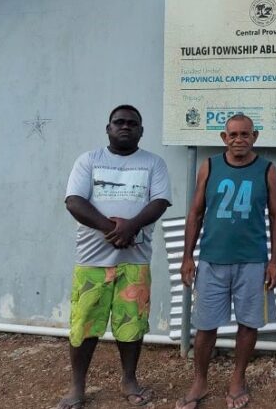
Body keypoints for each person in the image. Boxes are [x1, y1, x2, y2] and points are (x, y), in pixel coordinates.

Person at [58, 105, 172, 409]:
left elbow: (160, 201)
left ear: (141, 131)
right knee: (84, 324)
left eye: (132, 123)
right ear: (108, 128)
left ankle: (129, 379)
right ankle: (77, 386)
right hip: (92, 260)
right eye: (118, 122)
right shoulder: (89, 161)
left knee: (132, 325)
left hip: (135, 260)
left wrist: (131, 227)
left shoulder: (153, 163)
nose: (125, 127)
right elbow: (74, 202)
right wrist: (114, 229)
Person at [178, 114, 276, 409]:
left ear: (255, 137)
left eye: (245, 134)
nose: (239, 140)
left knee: (249, 323)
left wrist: (274, 261)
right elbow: (196, 213)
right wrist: (188, 256)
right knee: (205, 326)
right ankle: (200, 380)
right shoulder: (210, 166)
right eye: (233, 134)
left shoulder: (268, 170)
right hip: (212, 260)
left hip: (253, 262)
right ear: (224, 138)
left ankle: (238, 378)